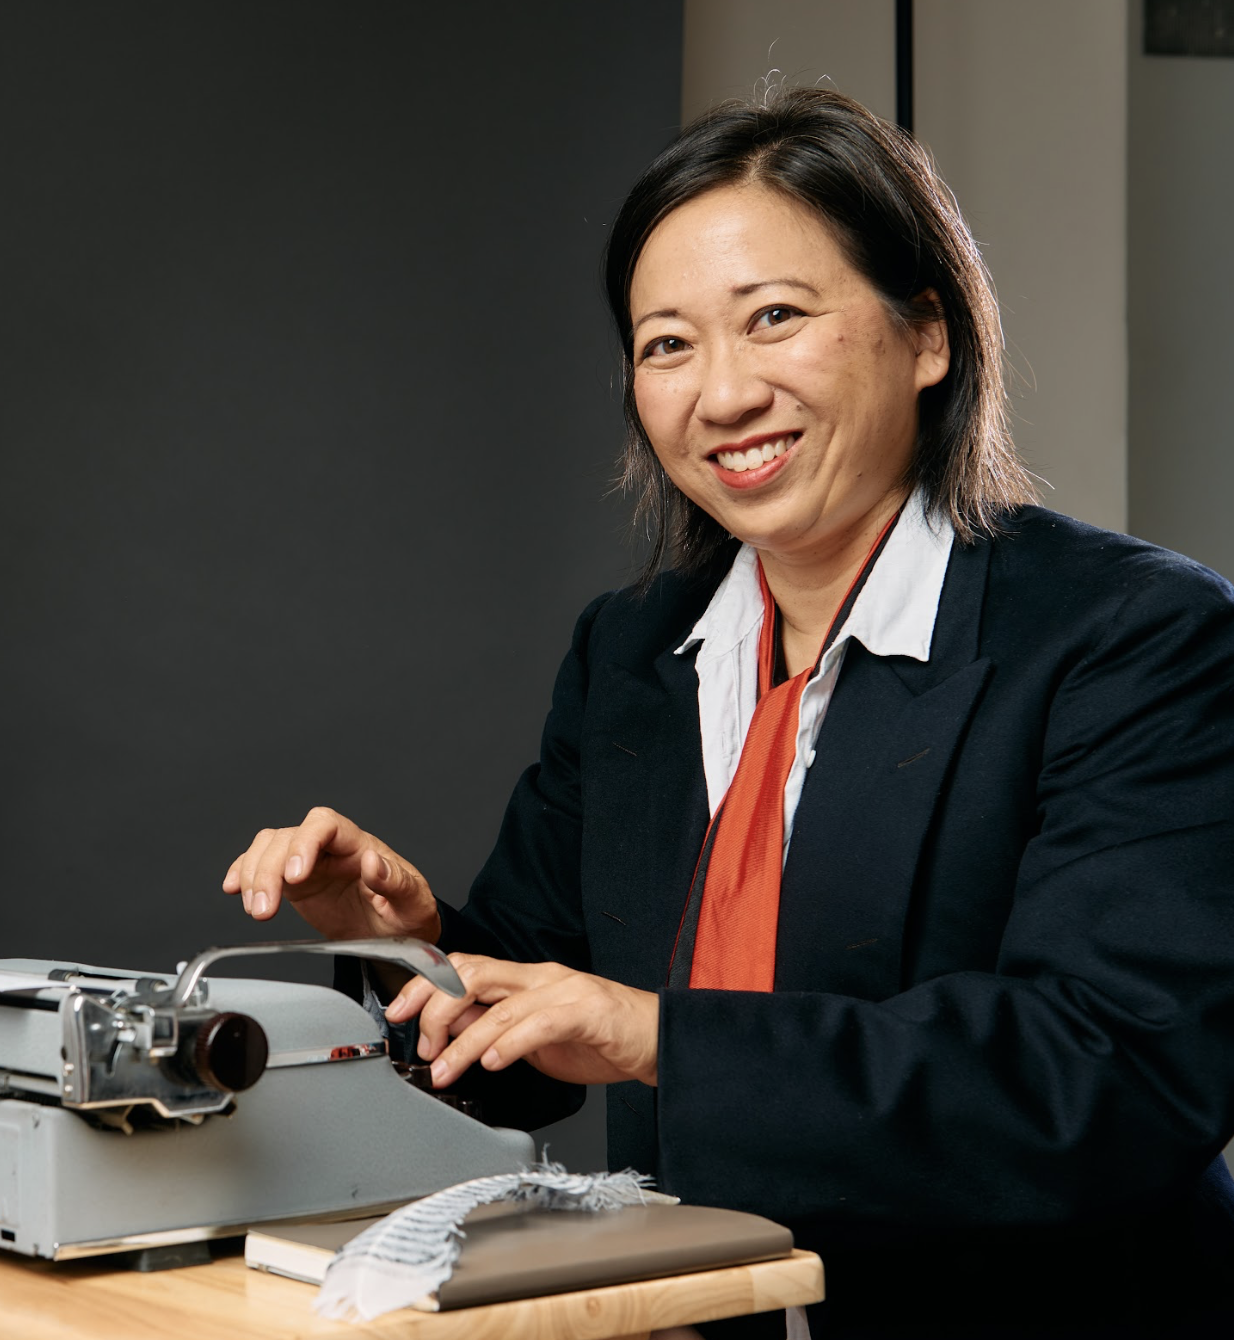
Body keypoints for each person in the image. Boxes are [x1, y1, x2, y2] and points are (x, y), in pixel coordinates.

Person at [223, 89, 1234, 1338]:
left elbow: (1113, 1075)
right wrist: (415, 948)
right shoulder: (634, 651)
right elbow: (534, 1049)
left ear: (928, 334)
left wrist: (660, 1039)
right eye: (666, 345)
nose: (722, 392)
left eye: (775, 319)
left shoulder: (1133, 635)